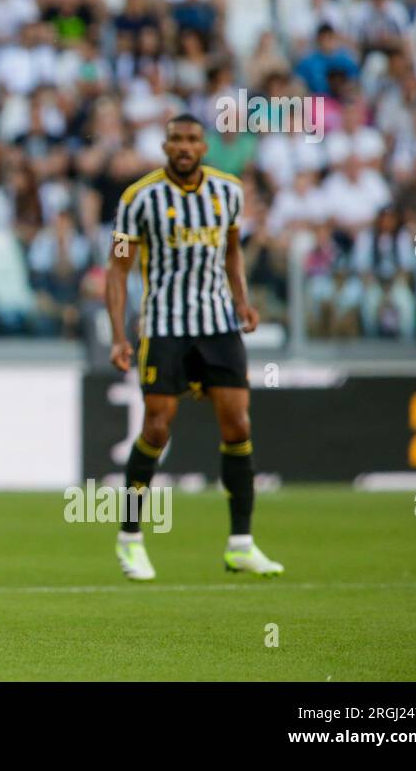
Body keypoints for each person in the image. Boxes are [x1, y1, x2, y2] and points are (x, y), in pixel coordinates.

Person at [105, 113, 284, 581]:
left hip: (219, 324)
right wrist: (119, 335)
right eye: (176, 140)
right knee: (158, 428)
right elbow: (118, 270)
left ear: (204, 147)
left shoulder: (228, 192)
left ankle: (241, 544)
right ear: (165, 147)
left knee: (238, 423)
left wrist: (242, 302)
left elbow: (230, 250)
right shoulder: (138, 197)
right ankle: (130, 539)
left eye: (192, 140)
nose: (184, 147)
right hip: (164, 326)